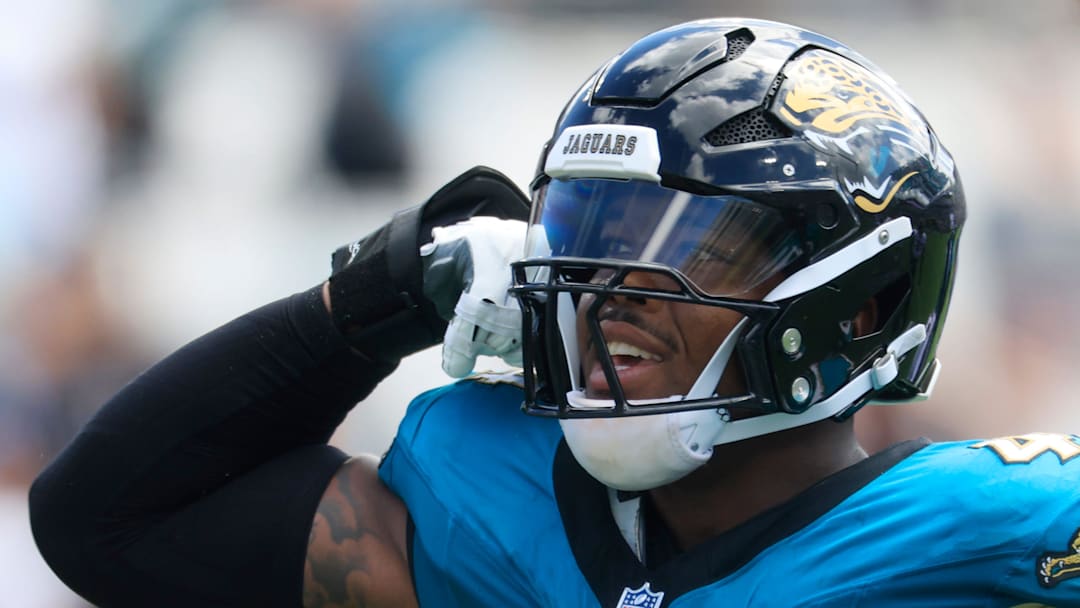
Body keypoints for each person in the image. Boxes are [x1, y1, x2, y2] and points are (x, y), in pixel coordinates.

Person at [28, 17, 1080, 608]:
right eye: (594, 236)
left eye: (686, 245)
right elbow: (102, 517)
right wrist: (373, 300)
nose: (612, 287)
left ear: (863, 302)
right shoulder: (481, 492)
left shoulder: (998, 532)